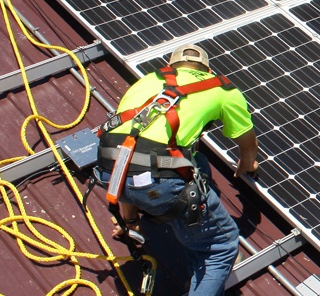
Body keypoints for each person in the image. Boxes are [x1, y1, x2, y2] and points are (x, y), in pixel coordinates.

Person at [97, 44, 259, 296]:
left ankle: (132, 224)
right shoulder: (224, 89)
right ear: (208, 69)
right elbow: (247, 141)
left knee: (181, 160)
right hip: (158, 181)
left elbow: (131, 149)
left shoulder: (149, 79)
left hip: (109, 168)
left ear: (171, 66)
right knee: (221, 248)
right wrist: (248, 163)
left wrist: (129, 221)